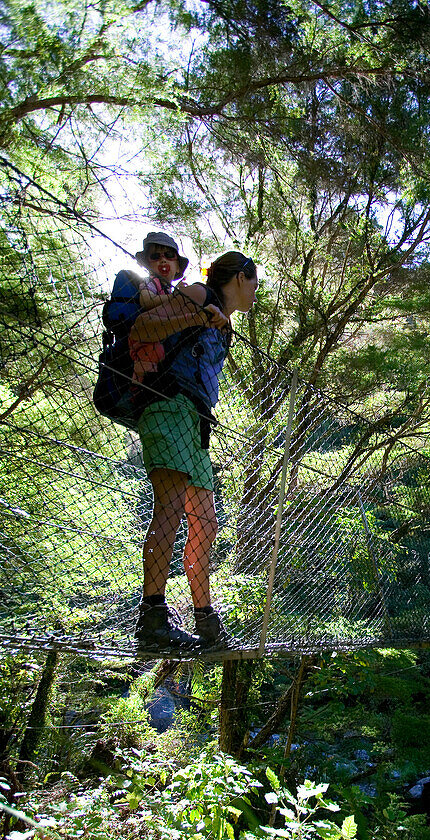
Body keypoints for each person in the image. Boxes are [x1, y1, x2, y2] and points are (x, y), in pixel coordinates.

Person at [129, 251, 259, 651]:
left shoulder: (227, 321)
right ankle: (152, 617)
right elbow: (143, 327)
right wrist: (197, 315)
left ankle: (206, 623)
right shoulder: (200, 294)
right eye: (254, 282)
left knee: (205, 524)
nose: (256, 291)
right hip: (167, 403)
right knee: (168, 508)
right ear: (240, 277)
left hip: (195, 419)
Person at [129, 232, 188, 390]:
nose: (163, 260)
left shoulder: (169, 291)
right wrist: (176, 298)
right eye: (155, 256)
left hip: (163, 340)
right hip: (146, 338)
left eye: (169, 255)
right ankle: (139, 390)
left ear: (177, 268)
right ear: (148, 265)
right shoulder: (151, 282)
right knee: (148, 361)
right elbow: (147, 300)